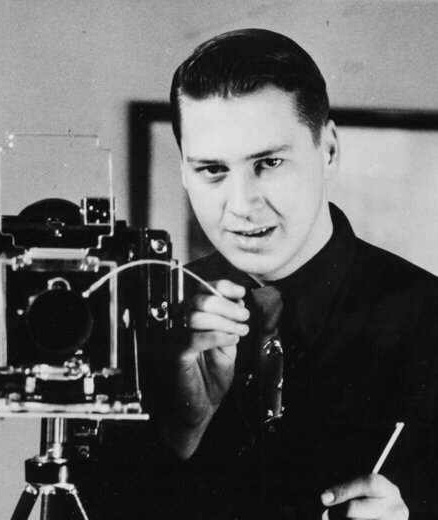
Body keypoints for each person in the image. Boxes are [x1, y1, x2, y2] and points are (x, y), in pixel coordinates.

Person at [143, 28, 438, 520]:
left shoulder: (431, 320)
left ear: (329, 151)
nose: (241, 205)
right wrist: (180, 434)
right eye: (212, 170)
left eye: (270, 162)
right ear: (183, 171)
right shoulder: (135, 321)